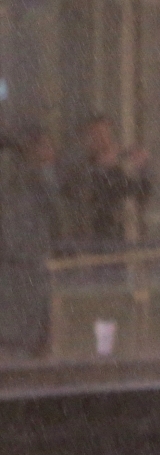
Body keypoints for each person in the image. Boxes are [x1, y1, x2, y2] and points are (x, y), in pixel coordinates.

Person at [0, 125, 67, 358]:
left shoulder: (39, 184)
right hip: (18, 268)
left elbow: (58, 220)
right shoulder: (21, 183)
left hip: (29, 266)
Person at [64, 114, 149, 252]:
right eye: (97, 135)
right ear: (86, 140)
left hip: (121, 239)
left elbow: (140, 193)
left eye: (106, 134)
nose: (104, 140)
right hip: (91, 242)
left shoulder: (118, 168)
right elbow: (86, 196)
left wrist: (142, 168)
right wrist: (102, 168)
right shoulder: (79, 169)